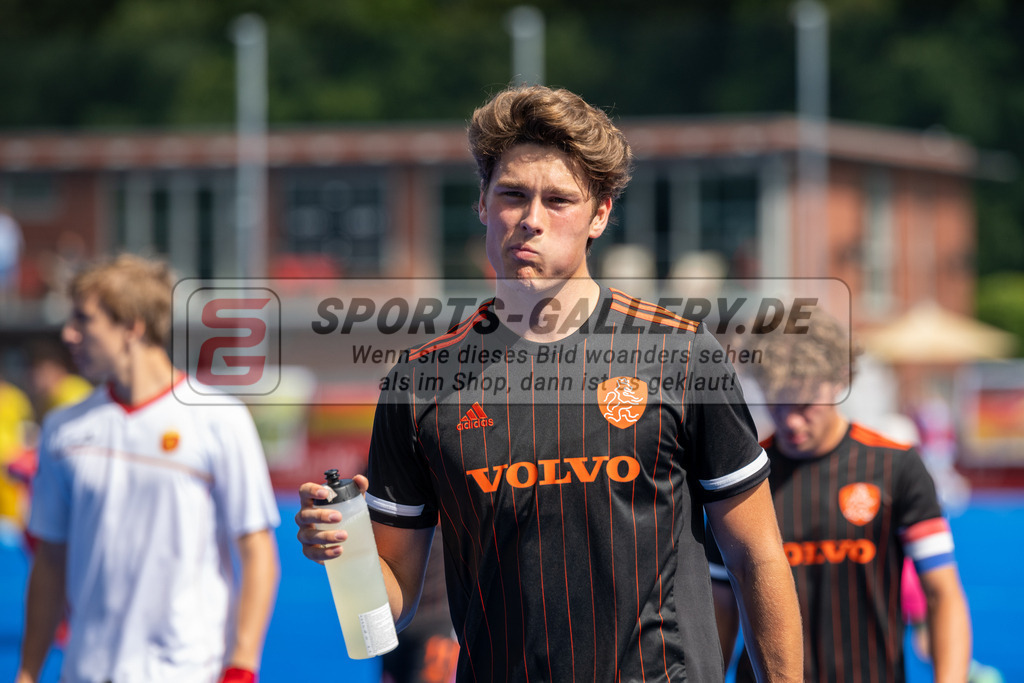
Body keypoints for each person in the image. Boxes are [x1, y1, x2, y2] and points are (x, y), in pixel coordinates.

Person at [296, 84, 802, 681]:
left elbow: (757, 556)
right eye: (512, 195)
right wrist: (342, 550)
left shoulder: (682, 355)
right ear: (483, 203)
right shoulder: (419, 384)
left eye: (558, 200)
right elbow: (390, 607)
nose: (531, 220)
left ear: (600, 214)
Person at [16, 254, 281, 683]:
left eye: (84, 320)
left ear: (132, 326)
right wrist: (27, 672)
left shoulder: (219, 418)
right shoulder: (62, 429)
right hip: (86, 671)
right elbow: (49, 561)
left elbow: (258, 554)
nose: (68, 335)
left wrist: (241, 666)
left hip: (188, 670)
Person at [706, 312, 972, 682]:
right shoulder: (742, 477)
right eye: (777, 402)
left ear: (840, 381)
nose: (790, 421)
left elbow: (943, 594)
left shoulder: (896, 466)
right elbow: (719, 608)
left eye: (804, 404)